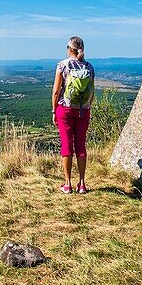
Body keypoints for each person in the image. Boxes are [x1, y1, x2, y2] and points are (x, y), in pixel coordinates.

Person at [52, 36, 94, 194]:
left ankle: (68, 184)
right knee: (81, 145)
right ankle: (82, 184)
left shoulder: (63, 65)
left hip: (66, 109)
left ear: (69, 49)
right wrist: (87, 106)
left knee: (67, 144)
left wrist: (54, 110)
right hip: (84, 109)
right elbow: (92, 92)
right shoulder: (90, 67)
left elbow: (56, 91)